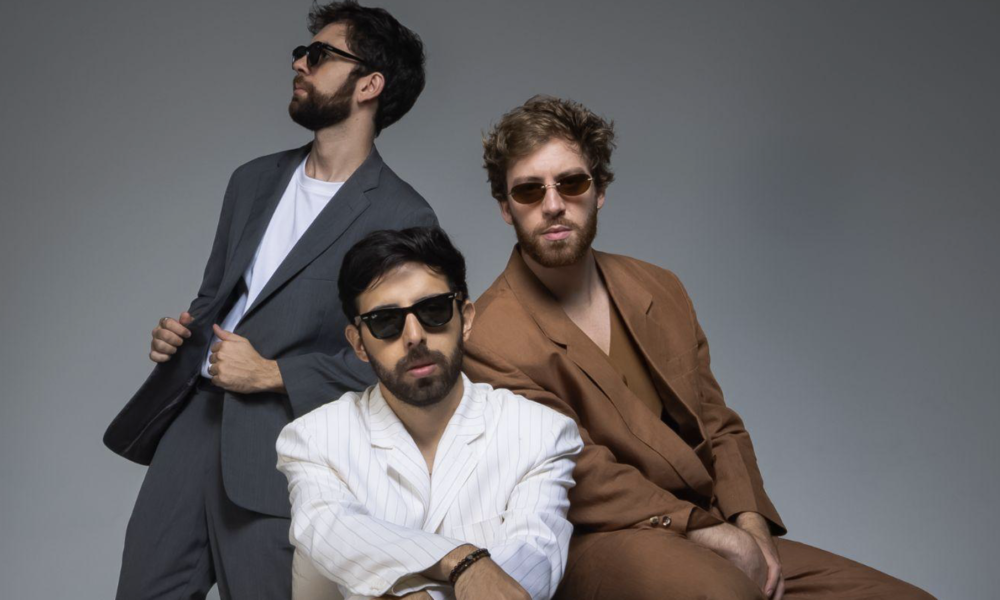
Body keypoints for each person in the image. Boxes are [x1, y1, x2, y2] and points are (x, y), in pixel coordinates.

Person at [463, 95, 934, 600]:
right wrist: (710, 534)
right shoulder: (489, 336)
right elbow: (580, 472)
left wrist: (750, 524)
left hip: (711, 519)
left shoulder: (660, 287)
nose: (553, 204)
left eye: (572, 183)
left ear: (600, 191)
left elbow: (717, 422)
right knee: (724, 594)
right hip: (598, 537)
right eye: (529, 190)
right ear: (505, 207)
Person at [103, 3, 436, 598]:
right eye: (302, 52)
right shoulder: (251, 180)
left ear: (369, 84)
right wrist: (179, 334)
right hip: (193, 424)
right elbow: (215, 301)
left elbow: (406, 363)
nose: (299, 64)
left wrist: (275, 374)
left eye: (320, 54)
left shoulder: (402, 215)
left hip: (285, 446)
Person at [277, 227, 583, 600]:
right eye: (385, 320)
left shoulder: (542, 432)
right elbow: (332, 531)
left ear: (465, 319)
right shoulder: (314, 439)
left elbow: (532, 564)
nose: (414, 336)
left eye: (433, 310)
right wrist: (462, 560)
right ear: (358, 343)